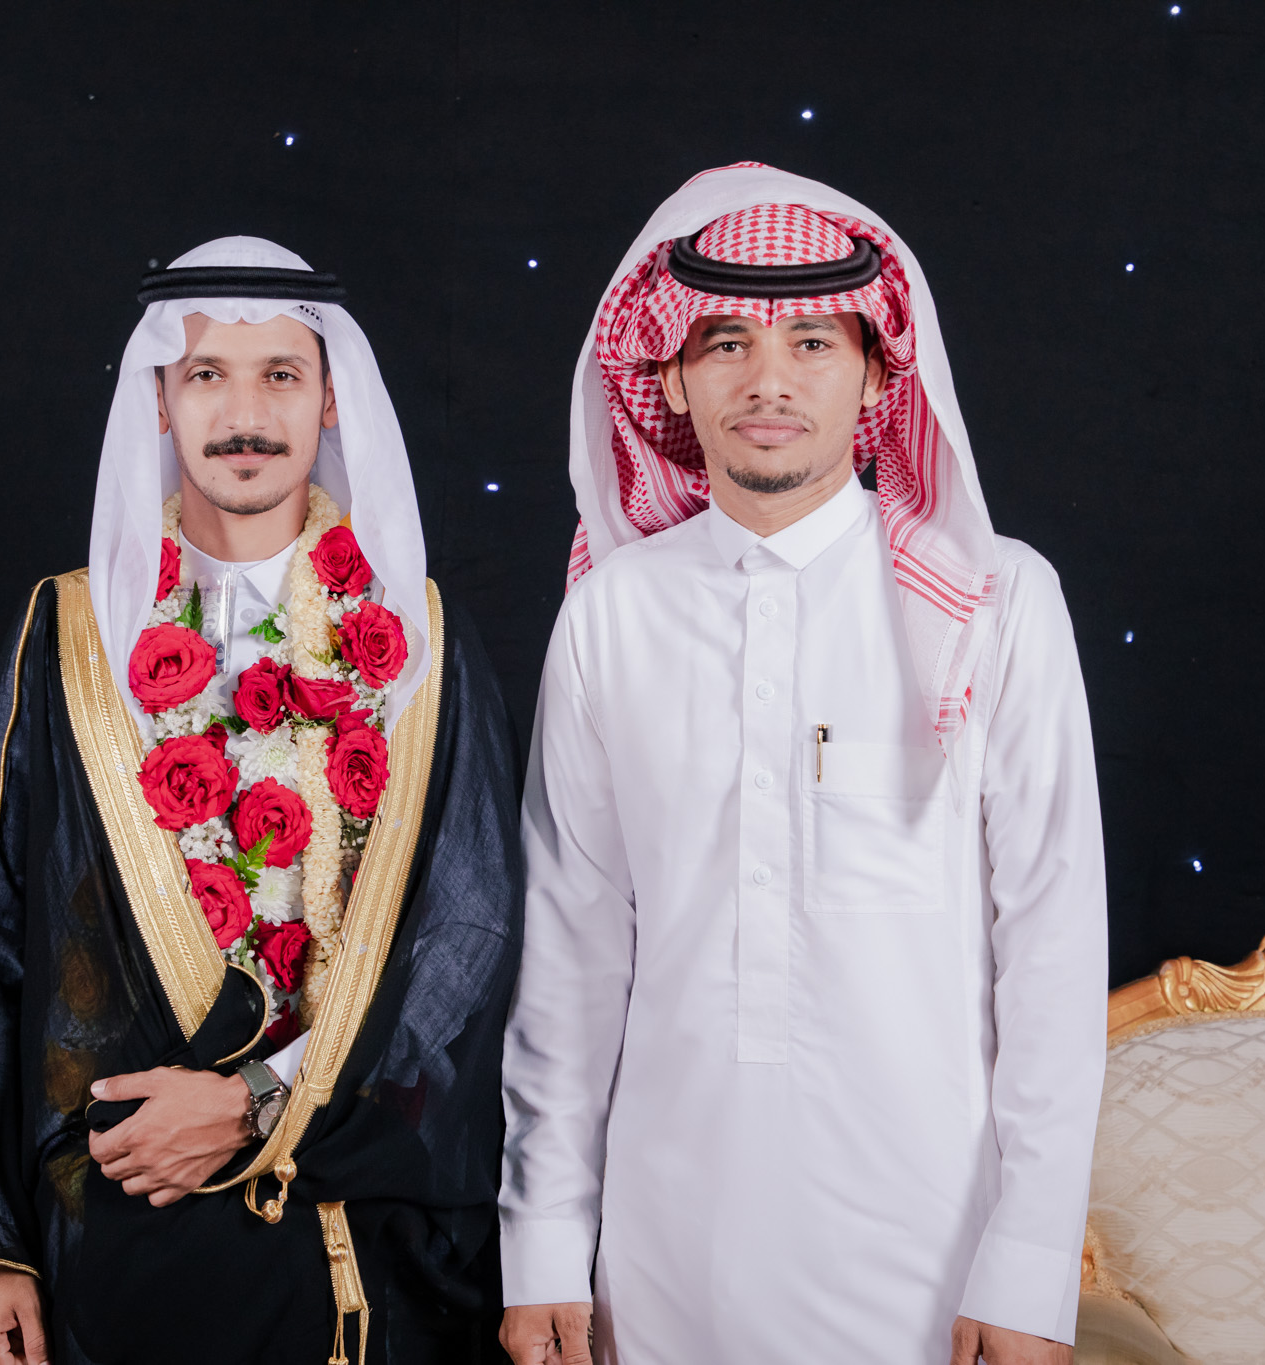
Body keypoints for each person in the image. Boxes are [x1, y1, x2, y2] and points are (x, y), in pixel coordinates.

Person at [499, 164, 1107, 1364]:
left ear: (878, 373)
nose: (767, 382)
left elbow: (1049, 947)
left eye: (812, 344)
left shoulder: (996, 601)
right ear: (668, 375)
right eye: (724, 343)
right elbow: (570, 957)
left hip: (933, 1258)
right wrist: (544, 1239)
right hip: (659, 1261)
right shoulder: (612, 614)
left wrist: (1030, 1262)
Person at [0, 237, 522, 1365]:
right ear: (159, 400)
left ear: (329, 398)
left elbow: (470, 936)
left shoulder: (419, 641)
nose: (245, 415)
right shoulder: (69, 632)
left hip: (350, 1221)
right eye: (207, 375)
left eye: (280, 375)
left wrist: (260, 1098)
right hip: (114, 1223)